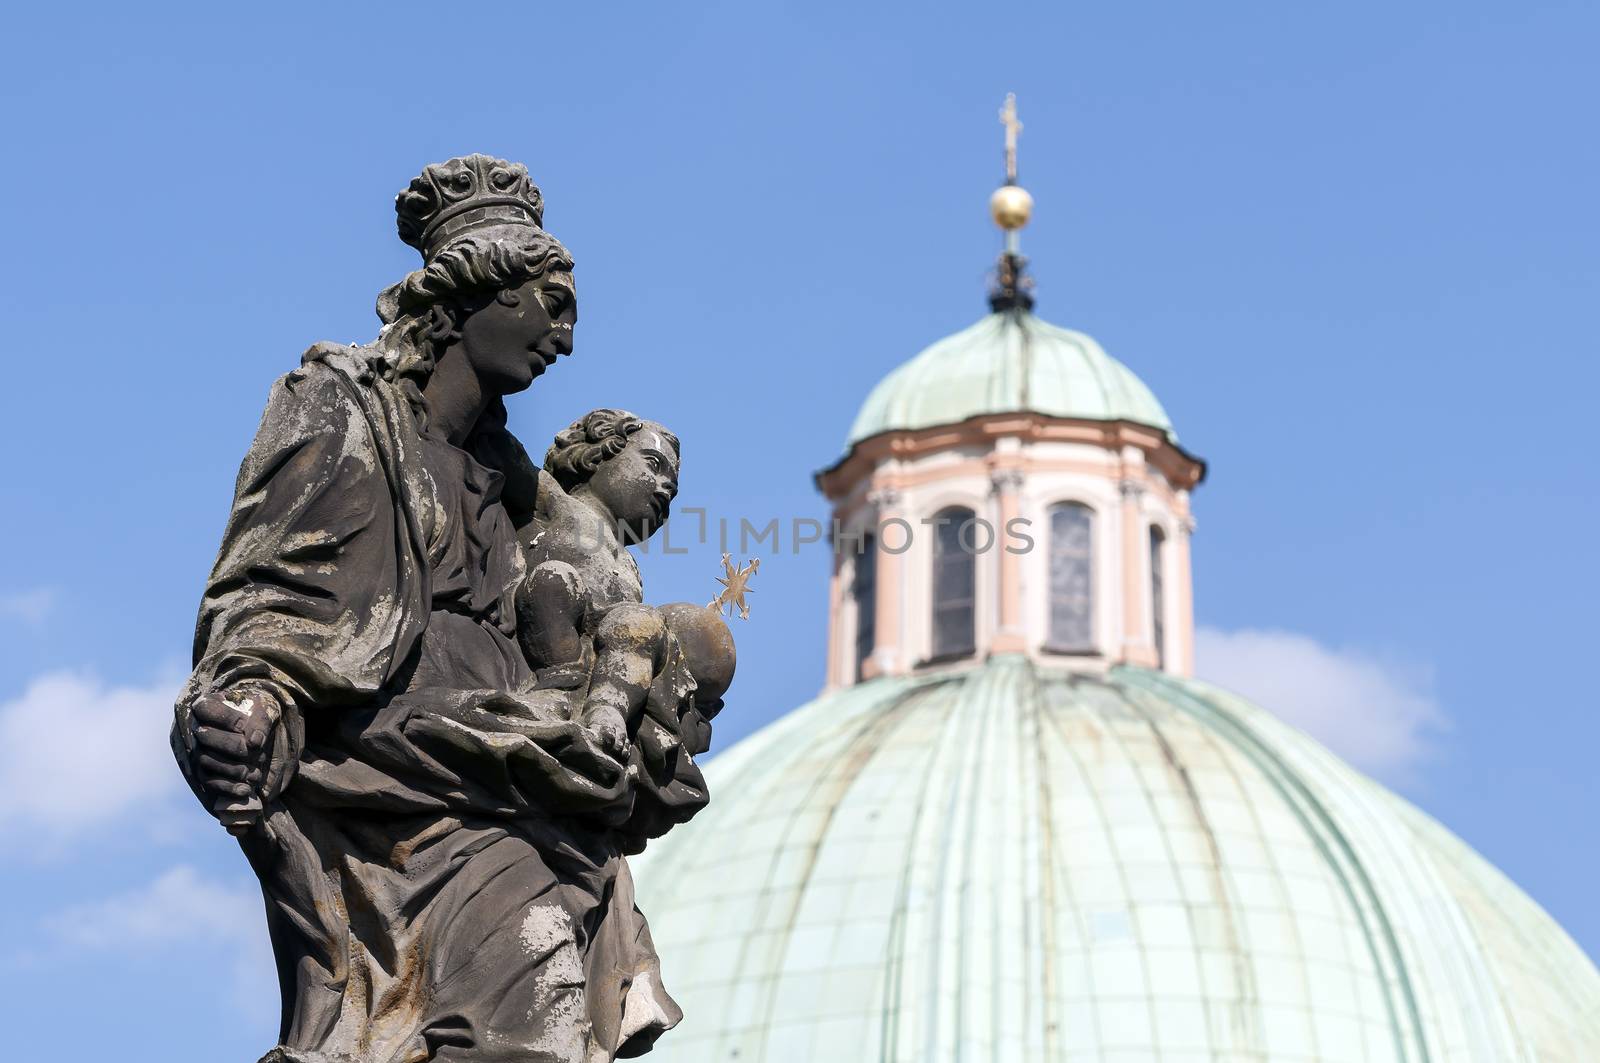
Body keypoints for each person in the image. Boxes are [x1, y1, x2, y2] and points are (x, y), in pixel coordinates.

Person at [171, 155, 710, 1063]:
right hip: (399, 762)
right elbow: (262, 589)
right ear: (482, 292)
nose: (566, 341)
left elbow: (583, 622)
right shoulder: (339, 404)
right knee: (526, 1018)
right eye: (553, 304)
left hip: (519, 768)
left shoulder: (515, 481)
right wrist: (250, 694)